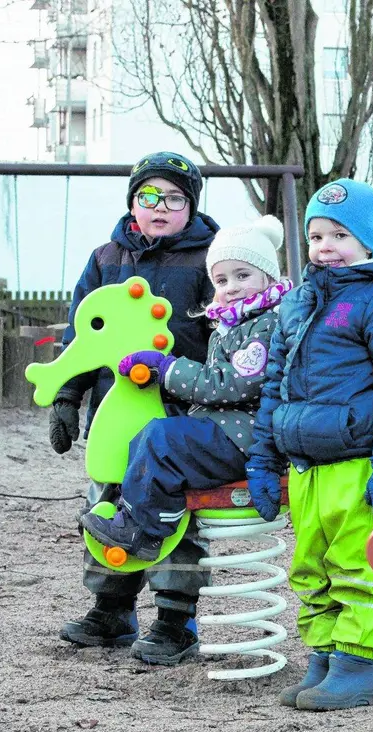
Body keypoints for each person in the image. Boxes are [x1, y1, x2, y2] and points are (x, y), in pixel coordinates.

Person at [79, 216, 293, 664]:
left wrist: (167, 368)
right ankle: (151, 518)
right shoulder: (235, 322)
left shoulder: (267, 325)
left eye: (243, 275)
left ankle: (145, 530)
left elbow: (233, 385)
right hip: (228, 431)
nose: (231, 287)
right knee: (150, 438)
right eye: (221, 279)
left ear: (269, 277)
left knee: (161, 437)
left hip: (246, 439)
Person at [245, 178, 373, 711]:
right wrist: (261, 457)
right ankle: (323, 657)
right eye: (317, 235)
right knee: (310, 564)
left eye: (340, 235)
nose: (326, 247)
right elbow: (274, 382)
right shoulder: (298, 302)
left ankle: (360, 665)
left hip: (356, 459)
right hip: (304, 462)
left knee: (357, 563)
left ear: (367, 242)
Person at [47, 151, 220, 665]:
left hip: (179, 413)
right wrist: (66, 396)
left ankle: (175, 619)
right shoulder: (107, 258)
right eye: (149, 197)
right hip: (114, 412)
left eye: (174, 198)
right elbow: (82, 332)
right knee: (107, 502)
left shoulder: (211, 259)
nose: (160, 207)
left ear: (190, 206)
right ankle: (112, 608)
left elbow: (223, 333)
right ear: (133, 203)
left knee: (173, 511)